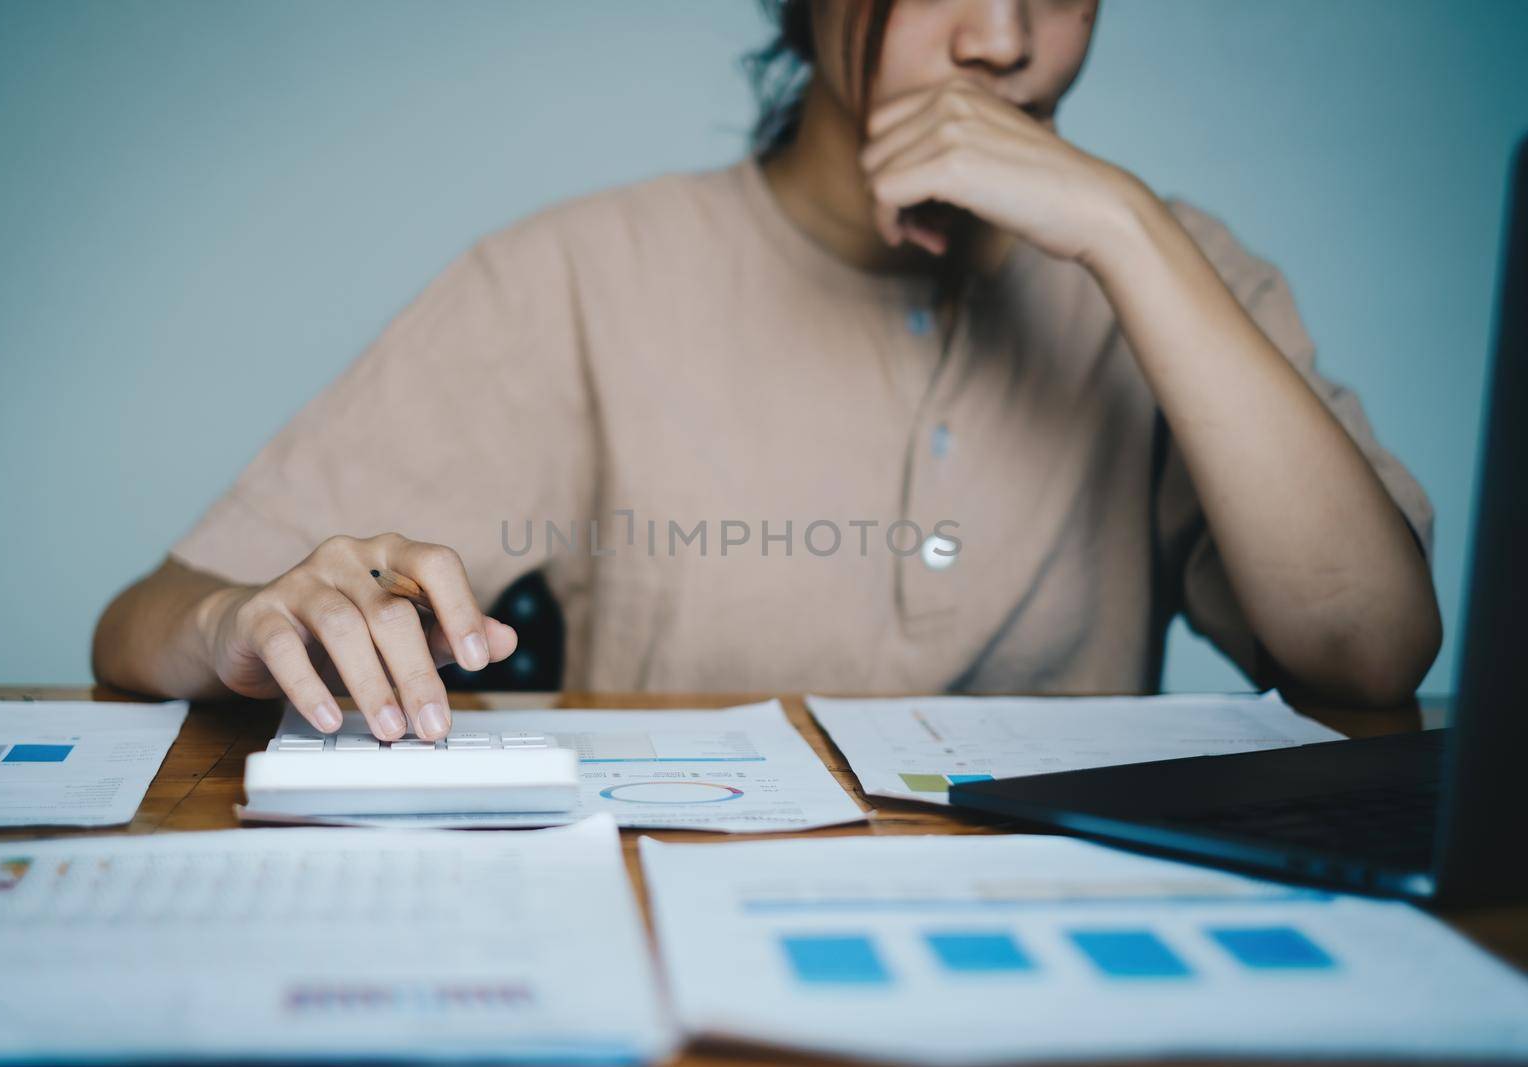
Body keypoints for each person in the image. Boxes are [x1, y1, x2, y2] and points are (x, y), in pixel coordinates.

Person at [93, 0, 1440, 743]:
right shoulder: (580, 270)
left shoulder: (1176, 270)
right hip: (680, 928)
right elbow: (145, 622)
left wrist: (1128, 234)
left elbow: (1376, 657)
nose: (1004, 40)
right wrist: (239, 624)